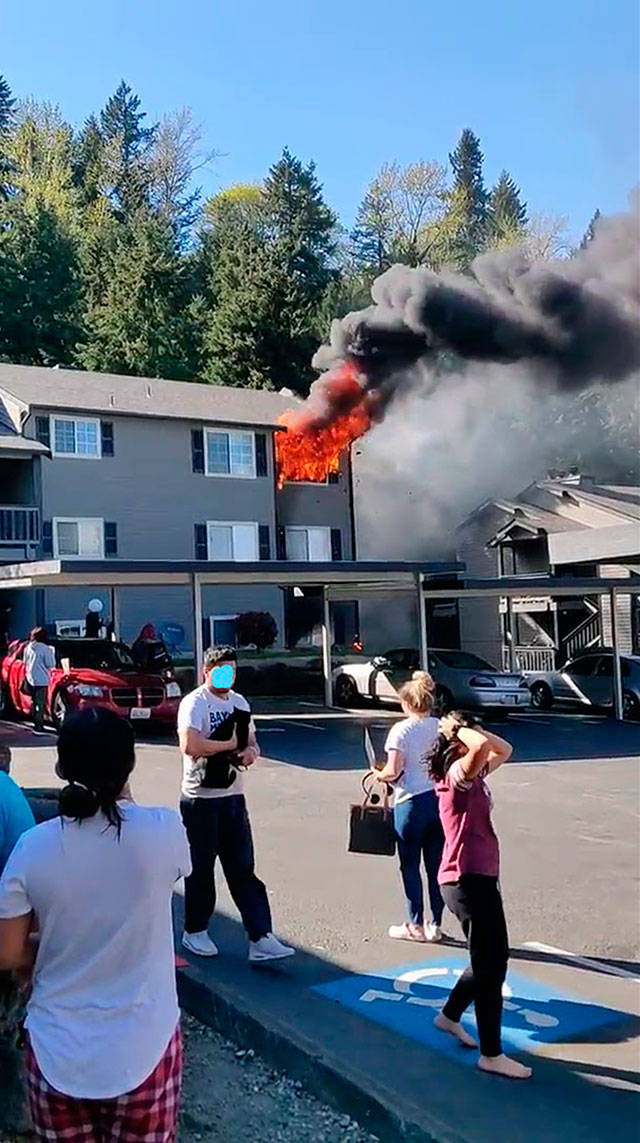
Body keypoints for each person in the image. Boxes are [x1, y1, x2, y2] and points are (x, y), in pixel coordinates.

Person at [0, 708, 191, 1140]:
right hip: (144, 1048)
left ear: (61, 768)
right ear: (130, 764)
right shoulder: (164, 831)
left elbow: (8, 952)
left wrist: (57, 945)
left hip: (56, 1054)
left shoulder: (33, 848)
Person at [428, 711, 532, 1080]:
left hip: (479, 878)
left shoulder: (473, 775)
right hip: (466, 880)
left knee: (490, 956)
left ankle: (449, 1016)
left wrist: (470, 728)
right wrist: (458, 729)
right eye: (471, 731)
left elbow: (504, 749)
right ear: (459, 740)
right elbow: (485, 746)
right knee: (491, 966)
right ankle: (491, 1054)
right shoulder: (458, 775)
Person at [178, 645, 294, 963]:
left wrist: (249, 753)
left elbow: (252, 742)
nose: (227, 676)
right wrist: (229, 744)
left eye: (231, 669)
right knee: (201, 869)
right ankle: (195, 930)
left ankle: (260, 936)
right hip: (200, 799)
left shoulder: (240, 702)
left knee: (243, 868)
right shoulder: (195, 703)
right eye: (220, 670)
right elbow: (189, 744)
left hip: (232, 796)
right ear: (206, 671)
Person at [374, 671, 444, 943]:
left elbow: (393, 770)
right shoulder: (440, 727)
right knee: (436, 865)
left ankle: (415, 922)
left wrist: (379, 774)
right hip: (438, 799)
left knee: (410, 865)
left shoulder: (400, 731)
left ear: (406, 703)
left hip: (410, 802)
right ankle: (435, 923)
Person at [24, 628, 56, 734]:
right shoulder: (46, 649)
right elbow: (50, 664)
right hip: (42, 679)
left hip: (30, 677)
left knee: (34, 702)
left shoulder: (28, 647)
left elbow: (25, 662)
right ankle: (39, 725)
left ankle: (34, 722)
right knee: (40, 703)